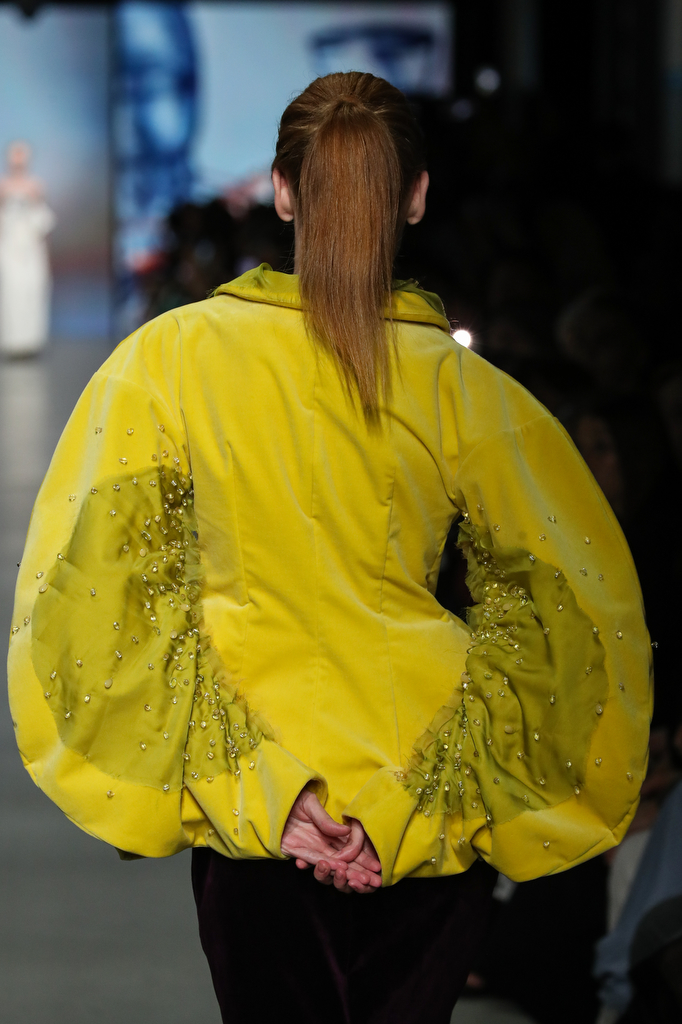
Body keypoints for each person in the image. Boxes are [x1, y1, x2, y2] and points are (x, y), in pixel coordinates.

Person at [7, 73, 652, 1024]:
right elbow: (579, 607)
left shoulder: (169, 361)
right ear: (417, 196)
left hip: (251, 798)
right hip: (427, 799)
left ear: (281, 189)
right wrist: (419, 798)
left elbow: (94, 591)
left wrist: (265, 792)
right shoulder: (469, 393)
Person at [0, 141, 55, 357]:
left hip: (31, 248)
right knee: (11, 293)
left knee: (32, 290)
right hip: (9, 248)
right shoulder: (3, 185)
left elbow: (44, 221)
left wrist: (34, 200)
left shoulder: (36, 185)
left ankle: (31, 341)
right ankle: (12, 342)